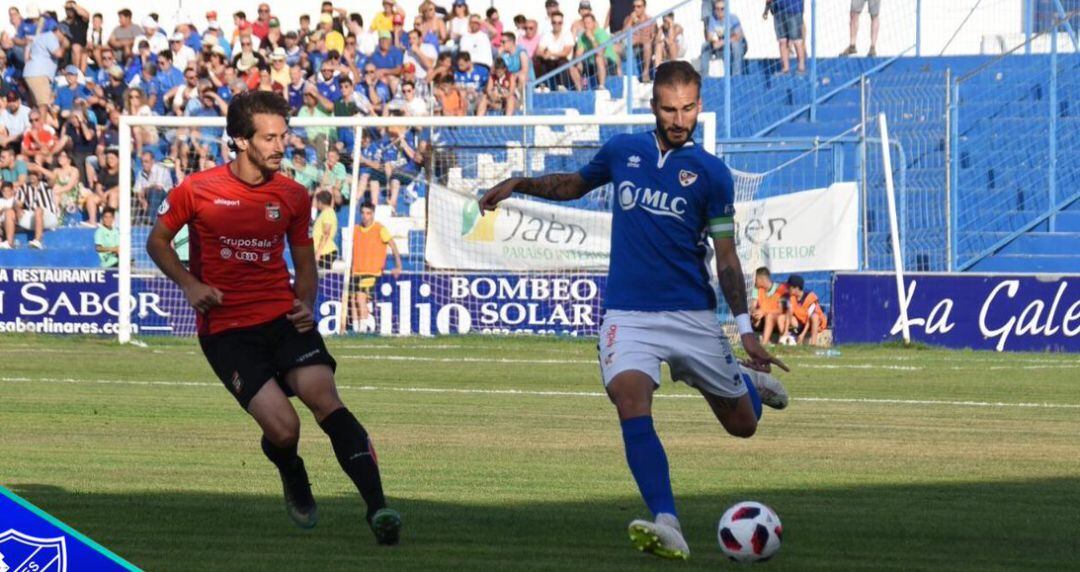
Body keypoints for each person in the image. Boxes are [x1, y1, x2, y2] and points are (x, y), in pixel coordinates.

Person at [479, 61, 790, 560]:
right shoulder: (624, 150)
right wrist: (520, 183)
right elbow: (574, 185)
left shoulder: (713, 173)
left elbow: (727, 257)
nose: (679, 118)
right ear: (654, 105)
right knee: (629, 399)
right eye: (670, 108)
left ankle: (749, 389)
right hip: (628, 312)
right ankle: (668, 522)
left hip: (691, 315)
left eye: (688, 108)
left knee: (743, 426)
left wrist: (744, 329)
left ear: (699, 106)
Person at [145, 91, 402, 544]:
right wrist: (189, 284)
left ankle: (379, 509)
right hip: (227, 331)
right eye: (269, 137)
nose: (281, 145)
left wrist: (306, 303)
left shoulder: (293, 194)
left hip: (283, 318)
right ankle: (292, 469)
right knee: (285, 429)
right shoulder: (197, 190)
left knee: (326, 400)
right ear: (241, 141)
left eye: (284, 136)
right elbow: (157, 243)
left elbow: (305, 264)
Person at [349, 201, 402, 333]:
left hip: (372, 272)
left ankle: (363, 329)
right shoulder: (355, 229)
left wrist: (398, 265)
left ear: (373, 214)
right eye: (363, 213)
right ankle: (356, 329)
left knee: (360, 298)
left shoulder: (379, 229)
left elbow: (393, 245)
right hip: (356, 271)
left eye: (368, 213)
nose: (365, 216)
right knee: (352, 299)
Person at [701, 0, 746, 77]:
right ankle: (704, 77)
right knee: (705, 46)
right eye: (717, 9)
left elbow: (739, 36)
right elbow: (709, 37)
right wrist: (714, 41)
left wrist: (722, 42)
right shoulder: (713, 19)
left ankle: (736, 76)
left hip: (739, 44)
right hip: (723, 45)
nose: (719, 11)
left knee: (736, 45)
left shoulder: (733, 18)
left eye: (722, 9)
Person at [17, 168, 59, 249]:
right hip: (32, 217)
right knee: (9, 212)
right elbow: (18, 203)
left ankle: (38, 240)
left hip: (49, 217)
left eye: (35, 174)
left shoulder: (46, 185)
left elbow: (53, 177)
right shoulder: (23, 187)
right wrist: (18, 209)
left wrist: (37, 167)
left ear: (39, 176)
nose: (32, 176)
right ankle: (8, 242)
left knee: (39, 209)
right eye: (30, 174)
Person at [784, 274, 827, 346]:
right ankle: (790, 336)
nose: (788, 289)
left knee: (814, 316)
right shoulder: (791, 298)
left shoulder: (810, 297)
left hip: (813, 323)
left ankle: (813, 344)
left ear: (796, 288)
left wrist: (803, 335)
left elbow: (809, 319)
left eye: (789, 287)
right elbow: (789, 313)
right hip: (801, 322)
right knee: (786, 316)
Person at [765, 0, 806, 74]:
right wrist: (767, 8)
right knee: (782, 40)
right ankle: (785, 68)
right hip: (779, 11)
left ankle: (801, 68)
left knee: (797, 39)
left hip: (793, 10)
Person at [751, 266, 788, 344]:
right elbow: (753, 306)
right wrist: (755, 312)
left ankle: (766, 342)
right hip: (762, 319)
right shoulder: (756, 289)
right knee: (756, 318)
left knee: (770, 316)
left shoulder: (781, 289)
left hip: (777, 319)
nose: (754, 281)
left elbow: (781, 310)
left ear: (762, 279)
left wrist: (763, 312)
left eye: (756, 279)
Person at [312, 190, 338, 270]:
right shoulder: (325, 213)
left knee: (323, 279)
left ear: (320, 202)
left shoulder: (328, 213)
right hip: (322, 251)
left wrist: (318, 252)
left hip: (325, 252)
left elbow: (326, 233)